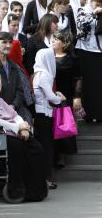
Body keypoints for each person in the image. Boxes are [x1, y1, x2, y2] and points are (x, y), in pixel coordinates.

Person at [0, 68, 47, 201]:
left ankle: (36, 189)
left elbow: (15, 115)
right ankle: (17, 189)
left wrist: (23, 128)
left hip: (8, 133)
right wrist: (17, 127)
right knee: (17, 147)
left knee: (36, 147)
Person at [33, 47, 67, 190]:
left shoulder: (36, 74)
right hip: (45, 115)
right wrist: (60, 97)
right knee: (48, 149)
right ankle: (46, 179)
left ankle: (41, 178)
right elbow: (51, 96)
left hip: (38, 114)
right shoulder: (45, 75)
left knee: (43, 147)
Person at [0, 32, 30, 123]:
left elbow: (20, 89)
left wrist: (14, 106)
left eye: (10, 42)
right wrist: (0, 108)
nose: (8, 45)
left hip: (13, 112)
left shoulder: (13, 65)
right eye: (4, 42)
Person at [51, 31, 80, 168]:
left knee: (63, 126)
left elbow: (78, 78)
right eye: (53, 38)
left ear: (64, 43)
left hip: (66, 96)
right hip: (49, 96)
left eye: (57, 39)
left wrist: (77, 96)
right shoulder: (47, 56)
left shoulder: (72, 59)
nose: (53, 40)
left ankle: (62, 157)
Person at [76, 0, 102, 122]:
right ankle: (89, 114)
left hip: (99, 51)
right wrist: (93, 13)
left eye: (99, 4)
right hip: (86, 51)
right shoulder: (83, 10)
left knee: (99, 84)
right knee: (89, 83)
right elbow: (80, 24)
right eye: (95, 3)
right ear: (91, 1)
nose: (97, 6)